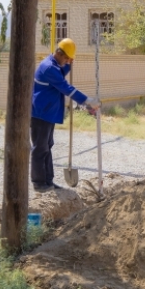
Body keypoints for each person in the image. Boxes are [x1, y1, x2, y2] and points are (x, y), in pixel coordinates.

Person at [31, 38, 100, 192]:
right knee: (40, 148)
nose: (69, 61)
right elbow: (65, 87)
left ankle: (48, 181)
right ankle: (39, 183)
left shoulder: (53, 63)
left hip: (47, 113)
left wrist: (68, 64)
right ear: (61, 54)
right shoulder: (49, 68)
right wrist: (87, 100)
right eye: (68, 59)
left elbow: (60, 71)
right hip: (41, 114)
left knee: (47, 147)